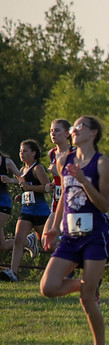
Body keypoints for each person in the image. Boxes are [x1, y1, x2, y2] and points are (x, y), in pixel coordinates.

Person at [39, 116, 109, 345]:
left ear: (93, 133)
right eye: (74, 127)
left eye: (80, 126)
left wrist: (84, 181)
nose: (75, 130)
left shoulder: (102, 163)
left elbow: (104, 204)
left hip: (95, 234)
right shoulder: (63, 160)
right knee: (48, 287)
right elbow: (64, 198)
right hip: (71, 236)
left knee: (86, 299)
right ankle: (87, 285)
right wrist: (54, 225)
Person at [0, 140, 50, 282]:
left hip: (40, 212)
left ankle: (66, 266)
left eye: (25, 151)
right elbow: (25, 187)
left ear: (34, 153)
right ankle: (13, 273)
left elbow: (46, 187)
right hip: (26, 210)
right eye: (21, 151)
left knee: (47, 245)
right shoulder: (22, 170)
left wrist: (29, 187)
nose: (22, 154)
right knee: (19, 239)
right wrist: (21, 195)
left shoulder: (37, 168)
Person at [43, 119, 76, 252]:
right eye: (51, 131)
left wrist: (59, 172)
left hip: (73, 203)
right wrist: (51, 184)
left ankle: (67, 268)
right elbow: (57, 180)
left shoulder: (75, 153)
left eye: (57, 130)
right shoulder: (52, 153)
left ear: (67, 133)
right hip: (57, 203)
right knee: (46, 242)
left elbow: (77, 180)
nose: (53, 134)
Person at [0, 151, 21, 254]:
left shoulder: (7, 162)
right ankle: (27, 241)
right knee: (2, 246)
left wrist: (10, 180)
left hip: (3, 204)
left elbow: (23, 179)